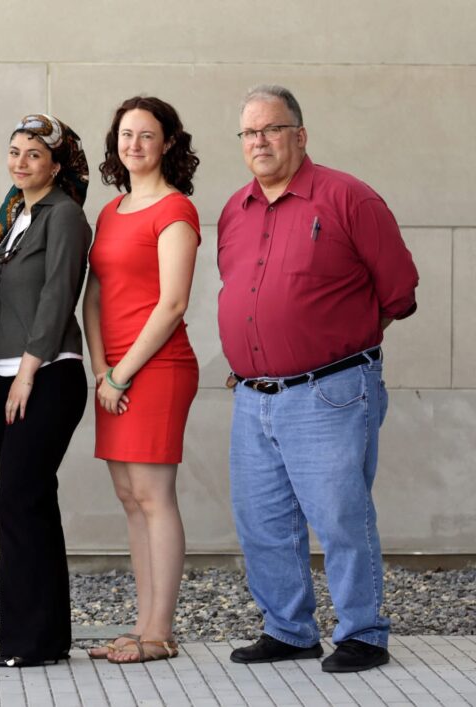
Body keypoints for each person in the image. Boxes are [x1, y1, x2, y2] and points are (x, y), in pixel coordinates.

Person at [218, 85, 419, 673]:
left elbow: (398, 290)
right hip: (253, 395)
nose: (259, 142)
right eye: (249, 132)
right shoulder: (237, 208)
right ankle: (289, 630)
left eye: (272, 130)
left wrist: (336, 344)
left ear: (299, 136)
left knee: (340, 516)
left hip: (329, 390)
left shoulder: (348, 198)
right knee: (263, 521)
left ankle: (364, 632)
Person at [83, 96, 201, 665]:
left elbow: (173, 302)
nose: (134, 144)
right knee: (130, 498)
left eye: (146, 135)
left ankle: (160, 633)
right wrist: (102, 369)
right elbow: (95, 296)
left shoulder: (175, 210)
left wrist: (122, 373)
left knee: (154, 497)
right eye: (126, 134)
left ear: (168, 144)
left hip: (156, 369)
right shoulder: (111, 211)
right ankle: (144, 624)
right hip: (114, 374)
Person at [0, 114, 93, 668]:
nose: (21, 162)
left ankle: (27, 642)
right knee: (33, 504)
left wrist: (26, 373)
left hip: (44, 376)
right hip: (2, 374)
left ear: (56, 163)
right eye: (15, 151)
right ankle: (45, 640)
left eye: (33, 154)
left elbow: (56, 298)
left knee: (16, 501)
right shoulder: (12, 217)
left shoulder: (65, 216)